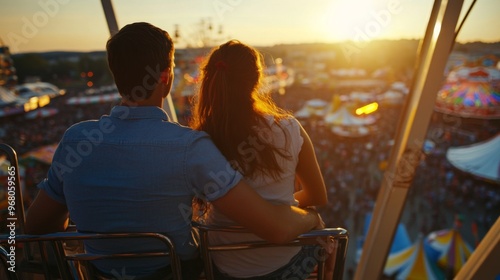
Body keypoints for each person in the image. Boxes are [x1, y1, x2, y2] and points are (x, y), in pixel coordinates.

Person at [24, 23, 323, 280]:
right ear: (165, 77)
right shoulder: (189, 147)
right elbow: (273, 228)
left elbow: (37, 225)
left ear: (117, 76)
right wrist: (310, 218)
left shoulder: (75, 140)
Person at [190, 40, 329, 279]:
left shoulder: (199, 140)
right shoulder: (289, 129)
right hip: (283, 263)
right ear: (257, 80)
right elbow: (317, 196)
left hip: (223, 265)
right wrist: (283, 208)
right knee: (328, 242)